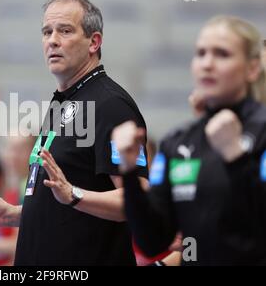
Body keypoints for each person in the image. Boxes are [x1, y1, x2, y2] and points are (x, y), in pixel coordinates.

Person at [0, 0, 149, 265]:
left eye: (65, 30)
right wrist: (15, 214)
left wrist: (74, 195)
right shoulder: (63, 103)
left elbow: (136, 200)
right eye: (46, 32)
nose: (52, 40)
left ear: (94, 42)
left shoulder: (111, 105)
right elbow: (63, 202)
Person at [113, 15, 266, 265]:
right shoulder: (178, 141)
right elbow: (152, 240)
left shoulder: (261, 130)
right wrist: (128, 172)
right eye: (201, 53)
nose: (207, 64)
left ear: (251, 68)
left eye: (222, 54)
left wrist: (236, 158)